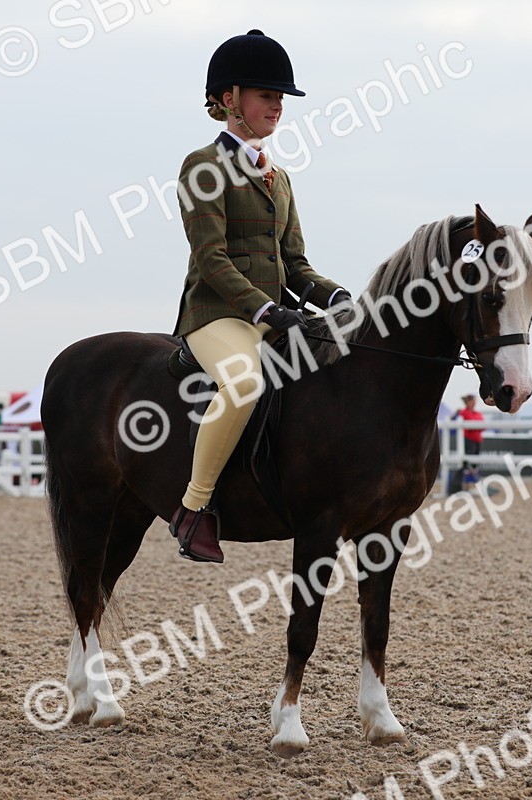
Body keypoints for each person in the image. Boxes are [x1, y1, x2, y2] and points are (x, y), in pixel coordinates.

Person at [168, 30, 349, 564]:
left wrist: (337, 296)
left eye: (280, 98)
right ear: (229, 99)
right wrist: (267, 309)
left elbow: (295, 265)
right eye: (267, 95)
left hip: (272, 316)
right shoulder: (203, 166)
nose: (277, 106)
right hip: (216, 314)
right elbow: (211, 258)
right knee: (244, 381)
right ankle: (194, 508)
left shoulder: (280, 178)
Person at [451, 394, 485, 490]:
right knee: (467, 463)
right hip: (468, 441)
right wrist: (476, 426)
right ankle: (467, 485)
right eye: (471, 401)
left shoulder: (476, 413)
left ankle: (473, 484)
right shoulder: (464, 412)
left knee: (475, 463)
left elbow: (482, 425)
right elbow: (474, 424)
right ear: (467, 402)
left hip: (477, 440)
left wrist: (475, 426)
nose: (473, 403)